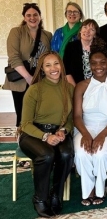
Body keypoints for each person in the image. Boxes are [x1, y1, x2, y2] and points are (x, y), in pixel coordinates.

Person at [18, 51, 74, 218]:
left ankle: (55, 194)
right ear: (42, 69)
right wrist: (45, 136)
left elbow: (71, 119)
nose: (53, 68)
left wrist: (64, 130)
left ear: (61, 65)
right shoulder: (34, 90)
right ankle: (40, 199)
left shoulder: (69, 88)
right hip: (33, 133)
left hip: (58, 131)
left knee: (65, 153)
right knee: (47, 154)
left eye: (56, 64)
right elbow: (25, 124)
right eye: (48, 65)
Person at [73, 43, 107, 206]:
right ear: (90, 65)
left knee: (100, 154)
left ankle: (100, 189)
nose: (98, 66)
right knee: (82, 153)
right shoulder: (81, 86)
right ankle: (89, 190)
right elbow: (77, 115)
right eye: (94, 63)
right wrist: (87, 135)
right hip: (83, 127)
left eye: (102, 62)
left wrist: (102, 135)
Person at [4, 3, 52, 129]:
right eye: (28, 15)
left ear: (40, 17)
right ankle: (22, 140)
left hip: (41, 79)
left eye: (35, 14)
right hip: (21, 78)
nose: (32, 18)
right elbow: (13, 58)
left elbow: (50, 57)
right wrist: (28, 77)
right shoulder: (16, 32)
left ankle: (38, 139)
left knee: (39, 113)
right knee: (22, 113)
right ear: (24, 17)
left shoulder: (47, 35)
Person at [63, 19, 105, 86]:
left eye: (92, 30)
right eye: (85, 27)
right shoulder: (71, 46)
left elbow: (104, 70)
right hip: (75, 86)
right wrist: (77, 90)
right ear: (80, 31)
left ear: (95, 35)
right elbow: (66, 71)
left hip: (97, 87)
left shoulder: (100, 48)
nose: (87, 31)